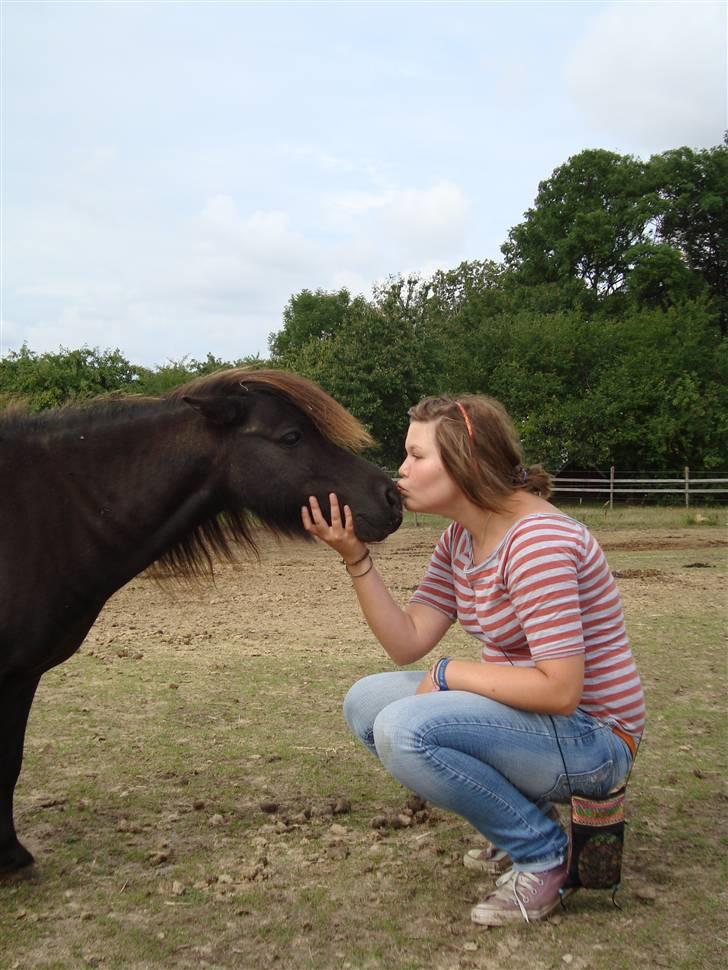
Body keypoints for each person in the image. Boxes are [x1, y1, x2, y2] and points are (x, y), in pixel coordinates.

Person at [301, 394, 645, 926]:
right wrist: (355, 557)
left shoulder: (537, 543)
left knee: (406, 729)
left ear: (468, 463)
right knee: (366, 702)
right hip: (539, 722)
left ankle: (546, 854)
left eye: (417, 456)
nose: (402, 469)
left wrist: (449, 673)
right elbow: (408, 641)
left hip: (595, 737)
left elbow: (560, 690)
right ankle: (524, 822)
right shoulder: (461, 538)